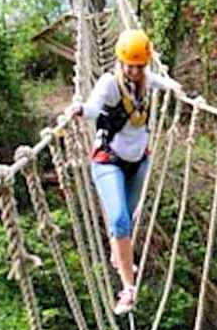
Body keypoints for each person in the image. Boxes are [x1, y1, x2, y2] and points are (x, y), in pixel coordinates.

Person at [64, 30, 184, 314]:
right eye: (130, 66)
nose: (134, 72)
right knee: (119, 219)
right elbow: (94, 107)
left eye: (139, 66)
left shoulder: (146, 79)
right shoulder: (109, 83)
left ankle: (117, 252)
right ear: (121, 62)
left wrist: (174, 87)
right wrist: (79, 109)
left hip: (139, 161)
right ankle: (128, 289)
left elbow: (161, 81)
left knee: (125, 220)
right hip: (109, 161)